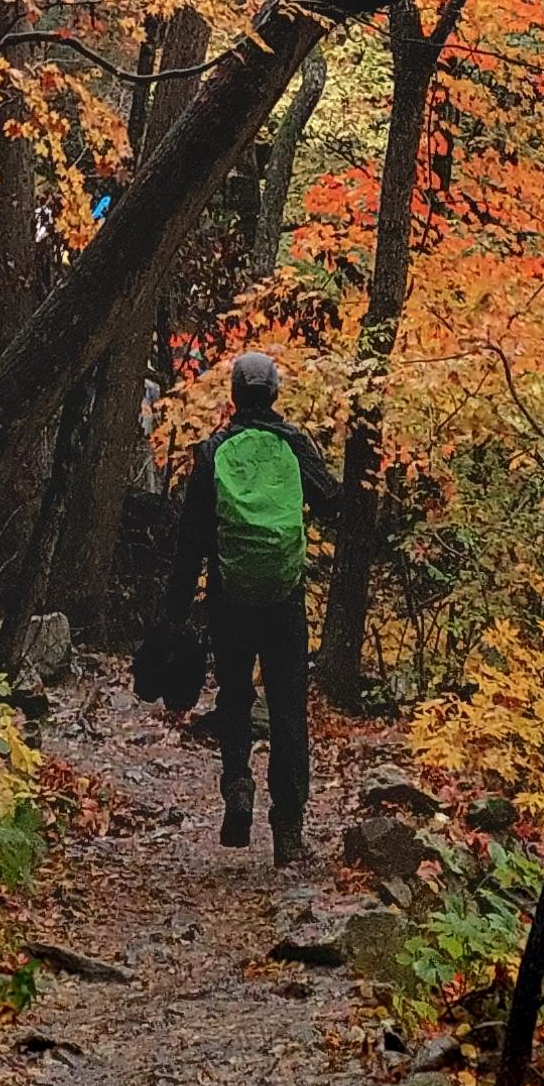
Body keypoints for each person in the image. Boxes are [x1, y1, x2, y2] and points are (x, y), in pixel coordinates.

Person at [163, 350, 340, 865]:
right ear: (275, 395)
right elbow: (330, 500)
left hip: (229, 597)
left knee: (236, 695)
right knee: (288, 708)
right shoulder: (295, 444)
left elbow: (190, 540)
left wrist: (174, 615)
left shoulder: (214, 450)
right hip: (285, 598)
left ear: (235, 396)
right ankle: (288, 830)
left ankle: (238, 784)